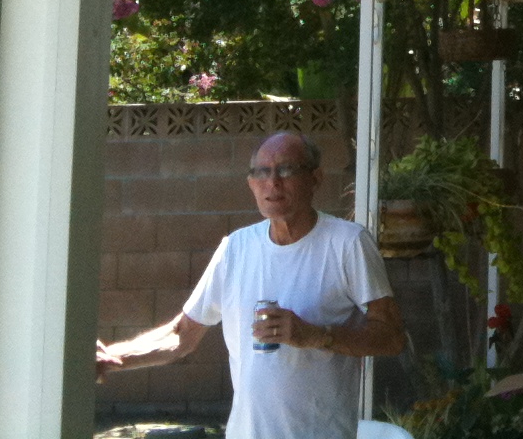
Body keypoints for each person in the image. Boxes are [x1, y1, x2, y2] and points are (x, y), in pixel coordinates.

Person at [97, 131, 405, 439]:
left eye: (286, 170)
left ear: (316, 178)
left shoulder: (347, 243)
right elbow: (182, 335)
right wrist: (113, 358)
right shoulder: (235, 249)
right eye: (262, 172)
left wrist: (315, 336)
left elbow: (391, 337)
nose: (273, 182)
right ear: (251, 184)